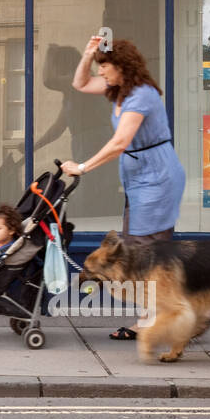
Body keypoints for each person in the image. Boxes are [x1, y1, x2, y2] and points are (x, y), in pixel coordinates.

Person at [61, 36, 186, 339]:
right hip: (139, 179)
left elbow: (120, 143)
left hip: (157, 179)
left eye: (105, 66)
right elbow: (79, 84)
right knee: (142, 248)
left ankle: (154, 320)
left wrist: (82, 167)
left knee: (145, 251)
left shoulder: (141, 95)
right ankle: (176, 313)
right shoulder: (119, 90)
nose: (101, 72)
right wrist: (88, 54)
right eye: (100, 66)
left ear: (123, 66)